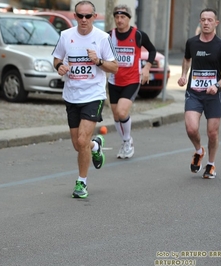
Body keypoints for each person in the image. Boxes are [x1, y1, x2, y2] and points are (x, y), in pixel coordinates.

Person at [52, 0, 118, 198]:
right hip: (72, 95)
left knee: (82, 140)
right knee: (78, 145)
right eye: (79, 15)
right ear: (75, 16)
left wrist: (97, 61)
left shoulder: (102, 38)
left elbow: (114, 67)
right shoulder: (65, 36)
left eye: (87, 16)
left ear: (94, 17)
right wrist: (59, 67)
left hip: (93, 95)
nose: (83, 19)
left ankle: (82, 183)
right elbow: (56, 58)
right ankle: (96, 146)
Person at [178, 8, 221, 179]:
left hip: (213, 95)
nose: (206, 23)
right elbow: (187, 58)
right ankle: (198, 150)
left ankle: (211, 164)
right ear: (200, 22)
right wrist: (183, 75)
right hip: (194, 92)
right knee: (191, 128)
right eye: (203, 20)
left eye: (210, 20)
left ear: (216, 23)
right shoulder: (192, 43)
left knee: (212, 133)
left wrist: (216, 85)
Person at [107, 4, 157, 159]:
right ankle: (125, 142)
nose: (119, 20)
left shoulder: (138, 35)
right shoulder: (109, 36)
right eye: (117, 17)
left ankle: (128, 140)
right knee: (116, 115)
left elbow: (152, 50)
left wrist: (147, 67)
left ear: (129, 18)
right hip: (114, 80)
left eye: (123, 17)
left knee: (122, 111)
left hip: (132, 80)